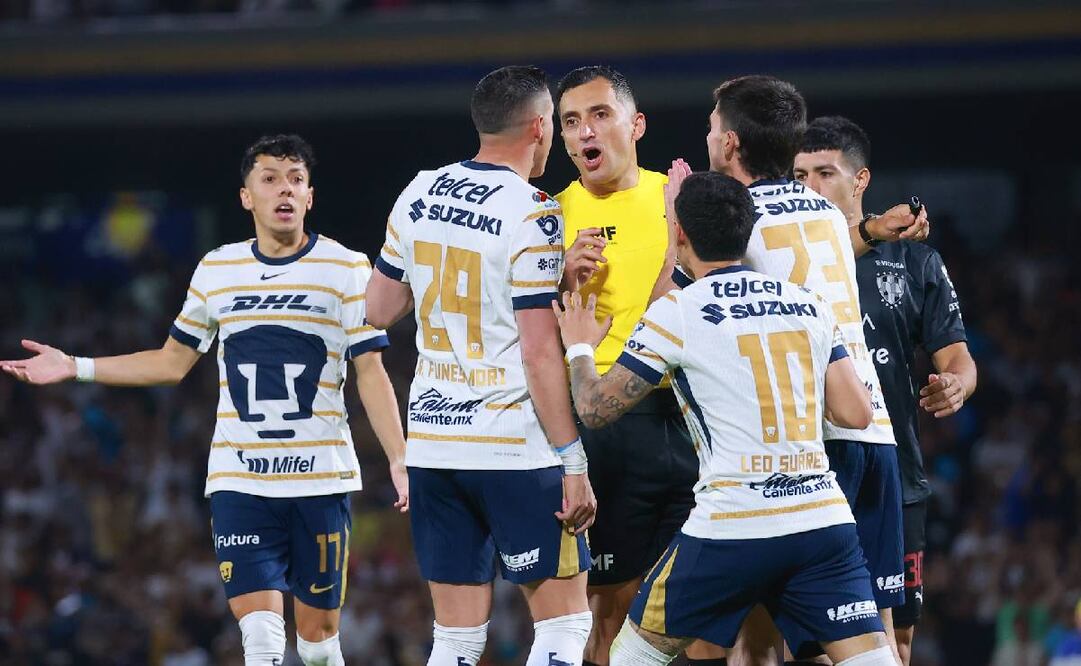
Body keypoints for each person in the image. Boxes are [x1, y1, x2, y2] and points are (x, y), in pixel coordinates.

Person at [0, 134, 409, 666]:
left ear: (310, 196)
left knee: (317, 646)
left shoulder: (347, 268)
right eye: (270, 179)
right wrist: (75, 366)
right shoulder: (218, 269)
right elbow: (172, 362)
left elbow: (370, 370)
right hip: (241, 480)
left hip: (321, 480)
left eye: (296, 180)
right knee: (262, 640)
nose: (284, 190)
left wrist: (398, 457)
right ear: (246, 196)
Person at [554, 170, 898, 666]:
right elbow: (855, 413)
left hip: (730, 527)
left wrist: (580, 347)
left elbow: (593, 408)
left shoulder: (678, 311)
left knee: (628, 656)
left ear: (679, 233)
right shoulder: (809, 305)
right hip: (820, 521)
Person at [656, 75, 932, 665]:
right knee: (873, 640)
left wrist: (676, 224)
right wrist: (873, 228)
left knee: (758, 642)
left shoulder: (735, 222)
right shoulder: (828, 214)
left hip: (802, 444)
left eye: (711, 128)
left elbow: (667, 316)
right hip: (873, 433)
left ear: (730, 143)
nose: (707, 137)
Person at [364, 65, 597, 666]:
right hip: (512, 446)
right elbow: (538, 352)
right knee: (565, 625)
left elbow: (379, 308)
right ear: (540, 127)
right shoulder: (534, 212)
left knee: (457, 640)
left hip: (435, 445)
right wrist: (573, 460)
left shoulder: (419, 191)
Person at [554, 65, 722, 666]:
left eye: (600, 115)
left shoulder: (681, 197)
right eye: (571, 121)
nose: (585, 131)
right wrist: (558, 278)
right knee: (612, 612)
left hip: (691, 417)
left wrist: (682, 229)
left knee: (704, 621)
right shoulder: (549, 215)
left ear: (636, 124)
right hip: (606, 421)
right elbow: (527, 333)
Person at [794, 115, 977, 665]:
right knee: (810, 648)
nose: (810, 187)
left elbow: (957, 356)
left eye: (825, 173)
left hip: (893, 476)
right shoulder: (786, 259)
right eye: (799, 175)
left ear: (861, 180)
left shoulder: (914, 260)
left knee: (895, 641)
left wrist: (957, 385)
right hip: (809, 471)